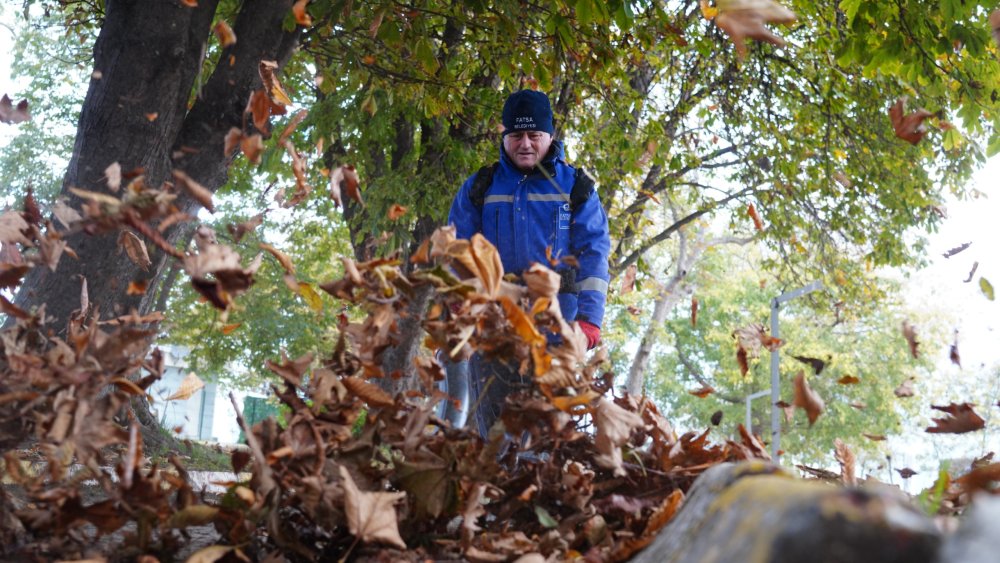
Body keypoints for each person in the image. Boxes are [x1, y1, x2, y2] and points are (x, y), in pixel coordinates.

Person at [444, 89, 611, 437]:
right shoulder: (480, 187)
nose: (525, 144)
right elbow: (456, 253)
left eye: (534, 136)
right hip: (493, 335)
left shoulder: (577, 188)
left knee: (550, 441)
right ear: (503, 137)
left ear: (550, 136)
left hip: (557, 336)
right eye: (516, 136)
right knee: (495, 438)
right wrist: (461, 309)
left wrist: (589, 323)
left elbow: (594, 257)